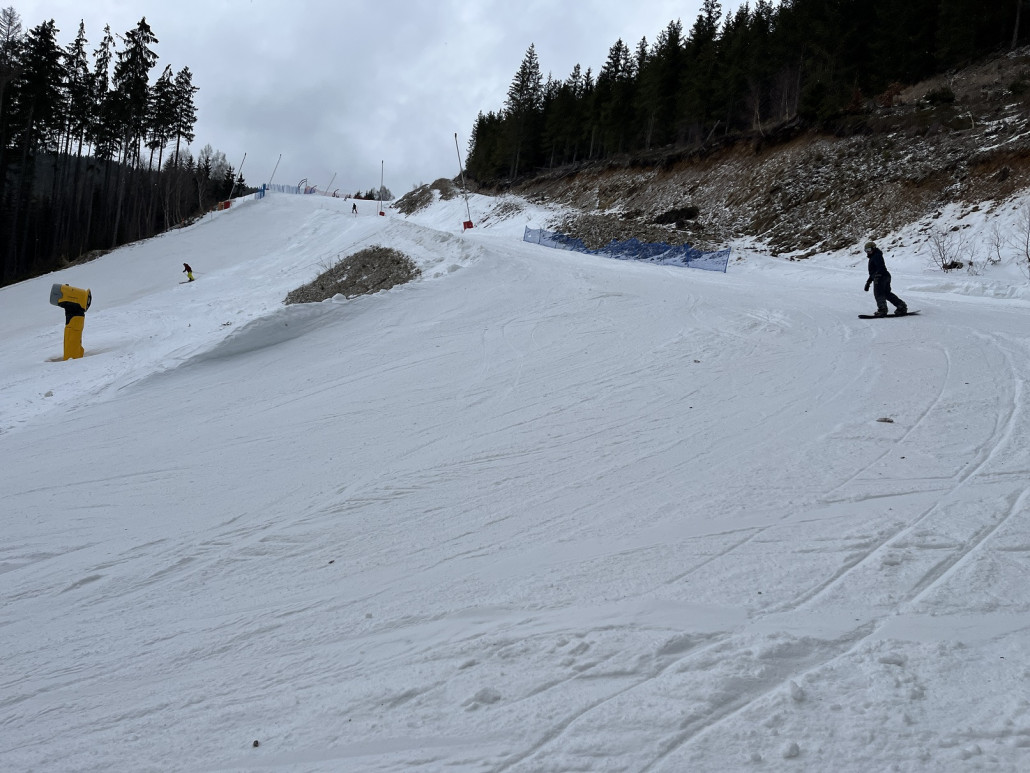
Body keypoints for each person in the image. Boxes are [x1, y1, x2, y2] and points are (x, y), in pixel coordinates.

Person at [863, 241, 906, 316]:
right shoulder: (875, 256)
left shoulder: (876, 256)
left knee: (879, 293)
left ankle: (882, 309)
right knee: (887, 294)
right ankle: (901, 306)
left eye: (869, 250)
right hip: (885, 276)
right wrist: (868, 282)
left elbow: (880, 267)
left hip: (881, 277)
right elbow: (874, 271)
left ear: (873, 248)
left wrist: (878, 276)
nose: (868, 252)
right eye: (866, 250)